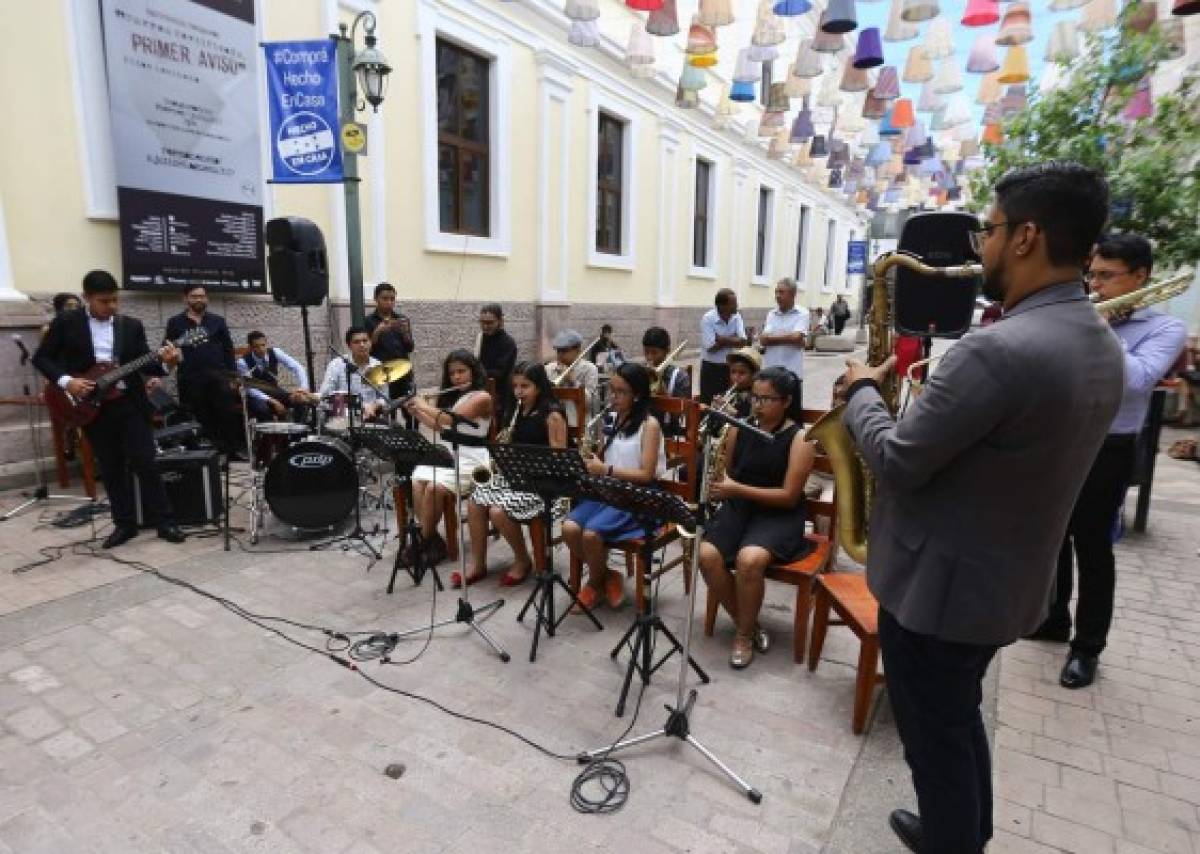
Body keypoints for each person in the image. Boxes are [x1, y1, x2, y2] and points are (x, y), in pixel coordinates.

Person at [841, 162, 1124, 854]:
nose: (981, 250)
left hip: (938, 596)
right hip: (1003, 589)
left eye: (989, 231)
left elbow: (903, 460)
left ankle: (953, 837)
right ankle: (963, 828)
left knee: (935, 744)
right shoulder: (1100, 343)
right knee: (958, 722)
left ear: (1026, 237)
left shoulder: (995, 350)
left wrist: (860, 395)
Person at [1029, 233, 1187, 689]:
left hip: (1108, 446)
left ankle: (1087, 648)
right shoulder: (1082, 315)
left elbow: (1136, 381)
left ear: (1140, 277)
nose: (1094, 286)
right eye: (1091, 274)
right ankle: (1054, 618)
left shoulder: (1163, 328)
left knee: (1092, 547)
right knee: (1053, 537)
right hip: (1058, 438)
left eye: (1106, 276)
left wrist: (1096, 329)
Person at [33, 271, 186, 548]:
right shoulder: (67, 322)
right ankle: (124, 525)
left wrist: (167, 363)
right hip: (92, 407)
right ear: (86, 298)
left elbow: (146, 363)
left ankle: (166, 522)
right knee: (111, 468)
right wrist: (69, 382)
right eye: (105, 301)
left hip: (129, 404)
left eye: (115, 300)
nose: (112, 306)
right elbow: (42, 358)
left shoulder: (131, 325)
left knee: (146, 463)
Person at [698, 367, 815, 668]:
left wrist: (736, 489)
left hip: (779, 513)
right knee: (707, 555)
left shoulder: (800, 438)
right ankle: (748, 623)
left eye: (767, 399)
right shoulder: (741, 427)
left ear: (787, 401)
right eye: (755, 398)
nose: (758, 405)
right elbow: (726, 469)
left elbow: (789, 495)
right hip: (740, 507)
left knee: (749, 561)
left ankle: (743, 635)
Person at [562, 363, 667, 611]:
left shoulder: (649, 425)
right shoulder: (609, 419)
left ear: (638, 395)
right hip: (607, 492)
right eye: (611, 390)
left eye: (621, 392)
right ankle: (608, 575)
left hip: (637, 496)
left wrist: (605, 470)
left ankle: (593, 584)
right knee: (568, 528)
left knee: (591, 534)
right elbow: (602, 458)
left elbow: (646, 474)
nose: (613, 397)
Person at [465, 362, 568, 586]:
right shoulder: (519, 410)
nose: (519, 392)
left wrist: (529, 462)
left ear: (539, 387)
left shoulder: (552, 415)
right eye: (516, 386)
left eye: (525, 386)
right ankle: (478, 563)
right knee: (474, 502)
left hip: (545, 484)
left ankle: (523, 560)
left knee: (498, 511)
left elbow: (560, 458)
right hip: (519, 477)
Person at [403, 350, 493, 581]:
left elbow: (450, 419)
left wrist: (423, 403)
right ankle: (432, 540)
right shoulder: (455, 397)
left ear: (473, 371)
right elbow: (438, 427)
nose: (457, 377)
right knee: (418, 479)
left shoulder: (481, 397)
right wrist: (417, 412)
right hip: (451, 455)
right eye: (452, 373)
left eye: (462, 371)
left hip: (474, 460)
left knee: (433, 487)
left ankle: (422, 542)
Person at [164, 285, 238, 448]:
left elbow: (228, 349)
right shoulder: (175, 322)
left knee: (225, 414)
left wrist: (233, 376)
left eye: (202, 296)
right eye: (194, 296)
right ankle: (202, 456)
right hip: (190, 378)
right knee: (197, 417)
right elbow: (167, 347)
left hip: (219, 377)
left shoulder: (218, 321)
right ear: (185, 299)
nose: (199, 299)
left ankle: (229, 451)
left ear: (207, 298)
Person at [237, 331, 316, 421]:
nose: (261, 349)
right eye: (257, 346)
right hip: (256, 395)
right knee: (263, 409)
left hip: (274, 390)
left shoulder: (275, 352)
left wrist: (303, 389)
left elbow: (298, 368)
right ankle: (269, 435)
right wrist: (273, 401)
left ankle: (298, 432)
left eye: (263, 345)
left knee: (301, 401)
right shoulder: (242, 363)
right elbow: (249, 388)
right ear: (250, 347)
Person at [318, 327, 388, 421]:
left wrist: (374, 406)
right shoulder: (337, 364)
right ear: (349, 346)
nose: (362, 345)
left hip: (371, 416)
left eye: (365, 341)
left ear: (370, 343)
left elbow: (384, 397)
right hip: (343, 417)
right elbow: (325, 393)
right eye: (356, 342)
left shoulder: (378, 365)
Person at [759, 277, 809, 405]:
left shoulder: (802, 313)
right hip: (770, 374)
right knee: (770, 411)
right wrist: (790, 338)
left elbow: (797, 337)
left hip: (792, 373)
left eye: (781, 292)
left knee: (793, 412)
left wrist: (772, 338)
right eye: (776, 292)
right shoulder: (771, 314)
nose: (777, 296)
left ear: (792, 294)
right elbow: (763, 340)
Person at [365, 282, 416, 401]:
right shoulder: (368, 321)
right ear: (376, 299)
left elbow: (410, 348)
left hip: (403, 371)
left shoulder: (402, 319)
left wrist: (405, 334)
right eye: (385, 299)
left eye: (392, 299)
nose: (389, 302)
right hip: (381, 373)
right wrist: (377, 332)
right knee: (385, 408)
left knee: (411, 410)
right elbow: (366, 350)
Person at [699, 288, 748, 403]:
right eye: (733, 304)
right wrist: (733, 338)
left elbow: (743, 342)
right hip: (711, 368)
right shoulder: (708, 319)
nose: (737, 306)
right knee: (708, 402)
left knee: (728, 402)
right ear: (722, 306)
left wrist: (721, 339)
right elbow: (710, 347)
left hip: (729, 367)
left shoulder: (737, 317)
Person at [545, 329, 599, 427]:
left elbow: (589, 403)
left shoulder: (589, 369)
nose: (560, 355)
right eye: (558, 351)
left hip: (579, 423)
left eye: (564, 351)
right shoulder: (549, 368)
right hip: (554, 423)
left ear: (578, 350)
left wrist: (573, 381)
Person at [722, 347, 761, 419]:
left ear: (754, 375)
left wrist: (734, 414)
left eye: (742, 373)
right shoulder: (729, 393)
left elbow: (754, 424)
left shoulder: (758, 398)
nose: (736, 377)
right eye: (733, 372)